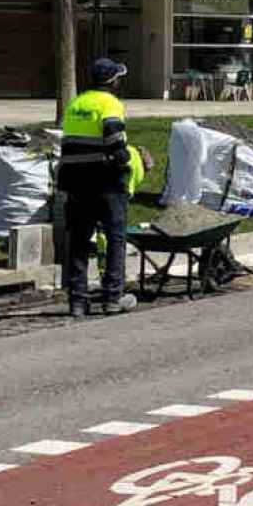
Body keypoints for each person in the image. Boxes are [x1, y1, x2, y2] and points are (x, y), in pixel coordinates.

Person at [58, 57, 145, 318]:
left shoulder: (76, 103)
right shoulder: (110, 103)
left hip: (75, 181)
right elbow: (114, 139)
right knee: (115, 237)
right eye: (119, 77)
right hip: (105, 180)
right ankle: (112, 298)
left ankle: (77, 301)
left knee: (79, 241)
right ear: (113, 81)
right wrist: (127, 160)